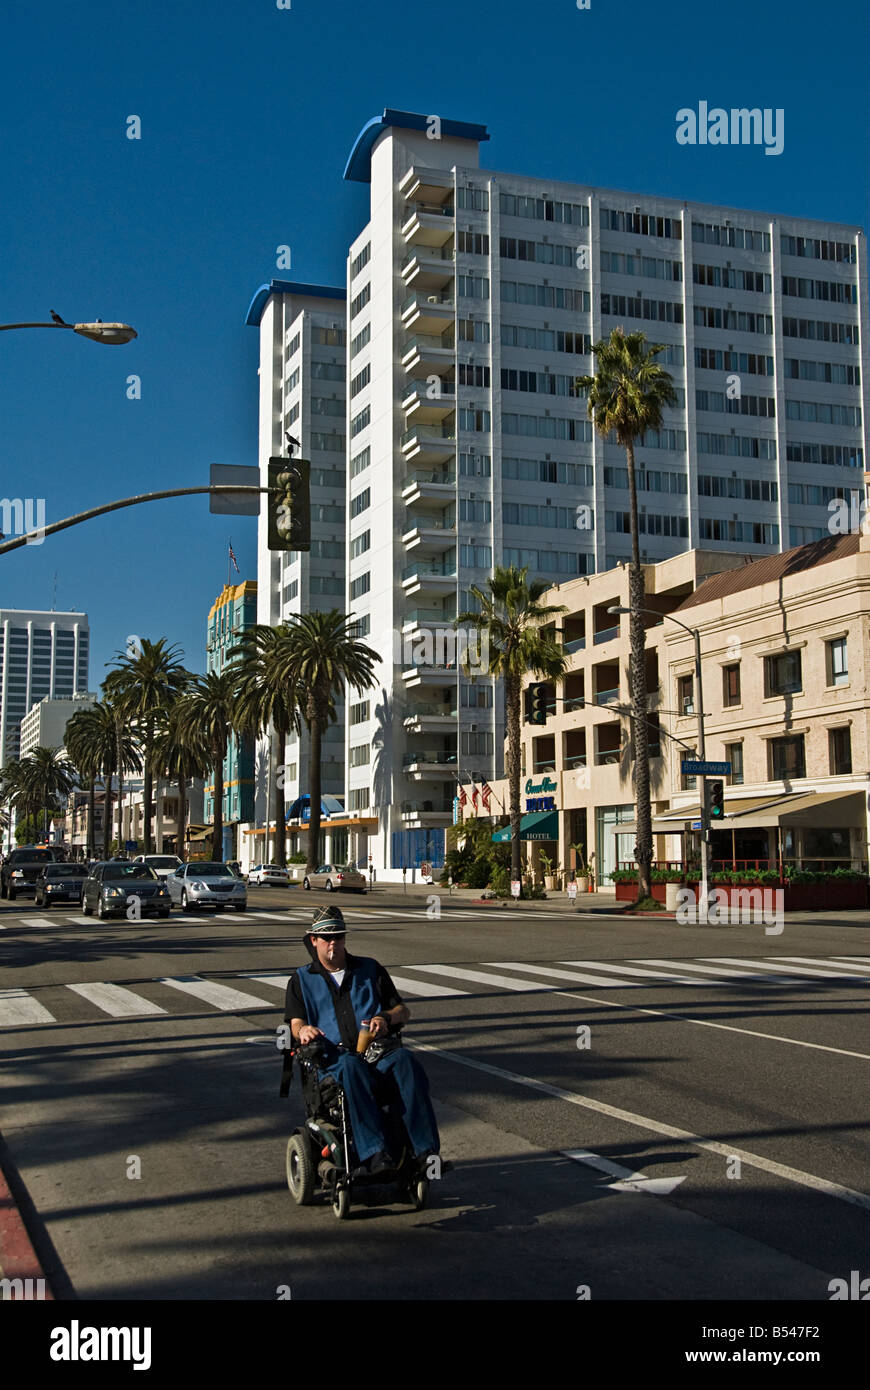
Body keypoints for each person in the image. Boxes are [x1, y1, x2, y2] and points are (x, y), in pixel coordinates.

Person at [285, 905, 440, 1174]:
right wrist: (303, 1031)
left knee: (406, 1062)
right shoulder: (300, 980)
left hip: (375, 1054)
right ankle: (375, 1152)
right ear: (314, 940)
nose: (333, 943)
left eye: (339, 937)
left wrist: (385, 1018)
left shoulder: (370, 969)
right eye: (326, 938)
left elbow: (403, 1010)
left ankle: (426, 1152)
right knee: (350, 1067)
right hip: (331, 1061)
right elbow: (295, 1022)